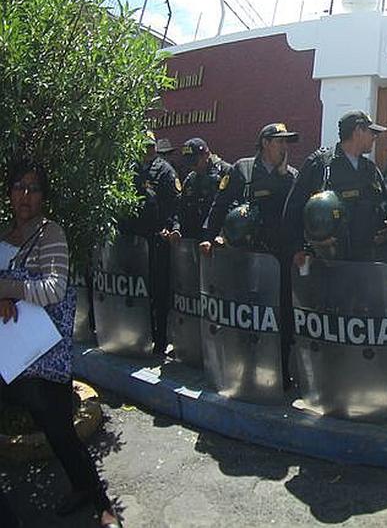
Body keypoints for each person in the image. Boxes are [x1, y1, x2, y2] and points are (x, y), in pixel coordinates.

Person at [0, 160, 121, 527]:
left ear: (43, 197)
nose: (25, 194)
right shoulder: (5, 233)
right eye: (19, 186)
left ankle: (101, 505)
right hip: (9, 356)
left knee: (61, 435)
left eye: (34, 188)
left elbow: (54, 289)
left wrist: (7, 288)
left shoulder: (50, 233)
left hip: (42, 358)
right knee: (58, 433)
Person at [284, 110, 387, 263]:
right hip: (328, 260)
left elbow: (386, 203)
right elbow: (294, 208)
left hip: (366, 261)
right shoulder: (321, 165)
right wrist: (297, 248)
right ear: (357, 131)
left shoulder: (370, 169)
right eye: (371, 132)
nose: (375, 137)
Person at [121, 130, 179, 355]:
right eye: (143, 146)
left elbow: (174, 204)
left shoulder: (165, 171)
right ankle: (137, 334)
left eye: (150, 146)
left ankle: (160, 339)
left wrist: (171, 227)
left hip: (156, 239)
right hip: (135, 241)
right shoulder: (131, 169)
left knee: (159, 291)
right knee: (136, 290)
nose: (147, 150)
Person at [201, 122, 299, 256]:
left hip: (279, 252)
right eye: (280, 142)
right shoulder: (243, 168)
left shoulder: (292, 176)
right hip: (246, 250)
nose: (285, 147)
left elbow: (294, 213)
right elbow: (220, 205)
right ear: (265, 143)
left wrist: (283, 177)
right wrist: (209, 237)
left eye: (286, 142)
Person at [165, 138, 231, 242]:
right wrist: (176, 228)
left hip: (217, 238)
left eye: (194, 162)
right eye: (189, 163)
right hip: (195, 237)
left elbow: (231, 206)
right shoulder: (191, 178)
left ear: (206, 154)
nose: (192, 166)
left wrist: (222, 235)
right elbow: (181, 206)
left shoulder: (225, 172)